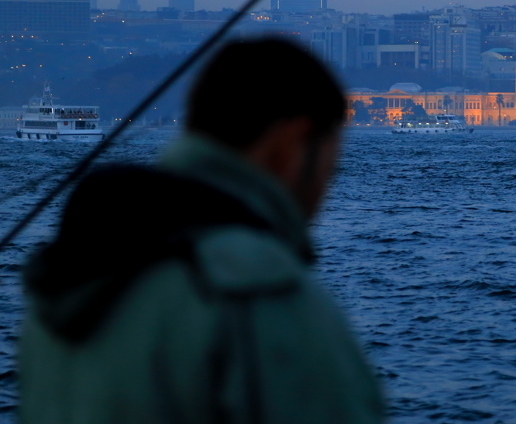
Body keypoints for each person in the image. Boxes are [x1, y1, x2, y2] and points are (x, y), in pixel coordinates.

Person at [19, 38, 386, 423]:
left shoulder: (57, 292)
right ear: (294, 141)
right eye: (333, 158)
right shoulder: (257, 293)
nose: (328, 179)